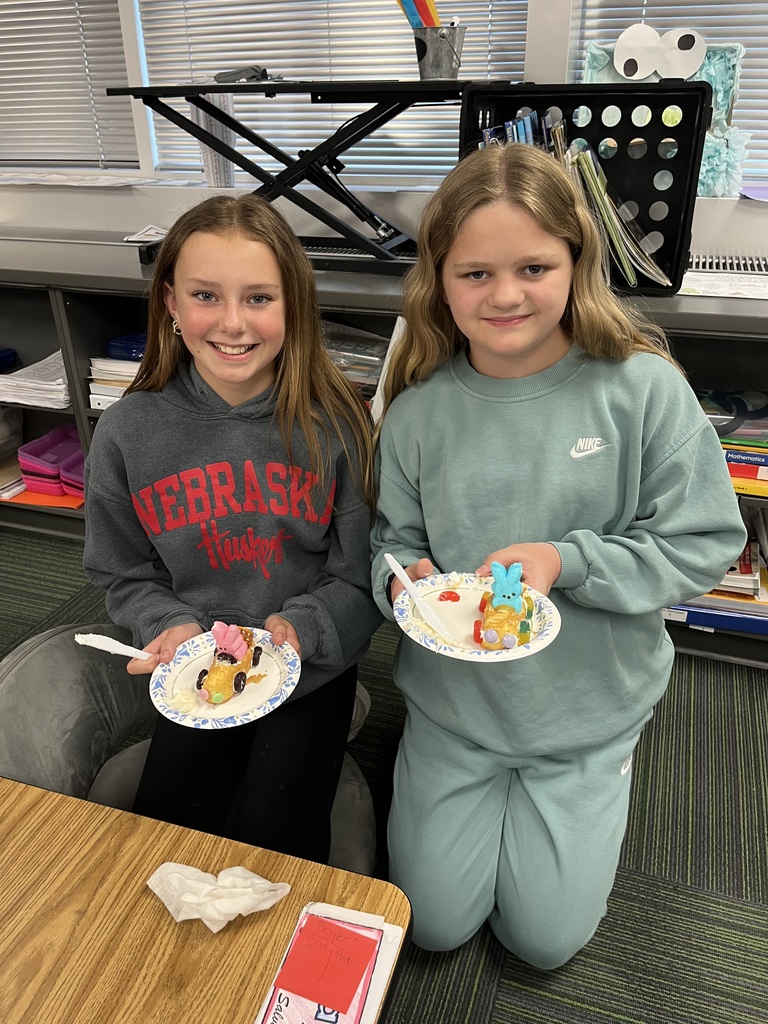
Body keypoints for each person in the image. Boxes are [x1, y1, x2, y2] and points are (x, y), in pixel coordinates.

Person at [369, 143, 746, 968]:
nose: (505, 295)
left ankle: (598, 775)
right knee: (431, 926)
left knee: (544, 945)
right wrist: (404, 585)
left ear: (578, 262)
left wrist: (568, 561)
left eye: (535, 266)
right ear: (440, 279)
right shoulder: (417, 413)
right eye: (475, 274)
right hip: (454, 711)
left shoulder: (642, 389)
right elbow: (392, 543)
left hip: (585, 711)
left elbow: (706, 544)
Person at [0, 193, 381, 865]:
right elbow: (122, 571)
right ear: (171, 304)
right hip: (196, 670)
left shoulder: (338, 428)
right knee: (171, 830)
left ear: (294, 306)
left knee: (277, 834)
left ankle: (340, 714)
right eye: (207, 295)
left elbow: (360, 574)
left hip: (310, 670)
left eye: (259, 298)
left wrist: (306, 630)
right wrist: (167, 625)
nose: (233, 323)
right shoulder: (127, 433)